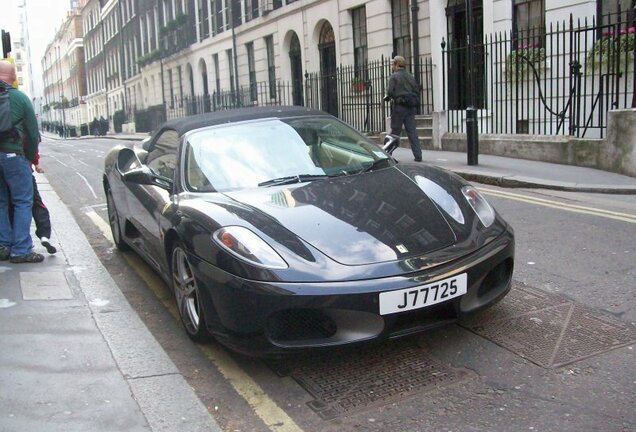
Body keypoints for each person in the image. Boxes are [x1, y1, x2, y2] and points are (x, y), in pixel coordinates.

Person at [0, 60, 44, 263]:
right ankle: (21, 249)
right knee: (22, 201)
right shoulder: (19, 98)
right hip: (13, 156)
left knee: (1, 202)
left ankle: (3, 246)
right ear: (13, 77)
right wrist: (30, 157)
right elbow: (33, 134)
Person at [384, 55, 422, 162]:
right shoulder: (411, 76)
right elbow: (416, 90)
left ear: (396, 64)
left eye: (393, 64)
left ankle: (387, 153)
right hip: (410, 107)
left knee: (394, 132)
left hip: (399, 107)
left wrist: (392, 95)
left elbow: (390, 92)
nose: (392, 66)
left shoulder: (394, 76)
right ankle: (418, 155)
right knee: (412, 131)